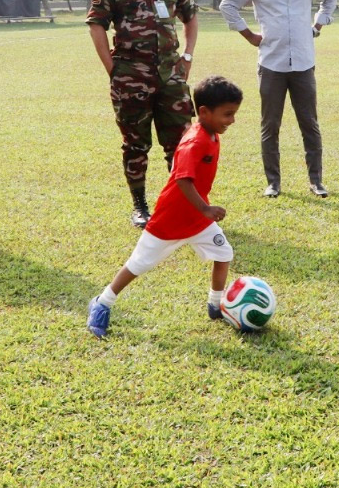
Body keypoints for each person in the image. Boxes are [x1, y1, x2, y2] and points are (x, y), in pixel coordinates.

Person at [86, 76, 243, 338]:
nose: (232, 120)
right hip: (169, 222)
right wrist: (205, 208)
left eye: (234, 114)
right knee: (137, 266)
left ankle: (215, 305)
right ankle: (102, 303)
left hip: (197, 221)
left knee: (224, 254)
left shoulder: (212, 134)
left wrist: (202, 213)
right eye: (227, 114)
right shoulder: (194, 142)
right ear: (204, 112)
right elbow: (182, 179)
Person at [87, 0, 199, 228]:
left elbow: (190, 17)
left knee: (180, 143)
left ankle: (181, 203)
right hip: (130, 75)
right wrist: (112, 68)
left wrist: (187, 55)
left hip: (171, 75)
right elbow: (97, 23)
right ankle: (140, 205)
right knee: (136, 143)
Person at [220, 0, 337, 198]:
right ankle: (273, 182)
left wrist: (319, 24)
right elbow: (228, 5)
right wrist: (248, 34)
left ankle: (316, 181)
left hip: (304, 64)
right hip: (272, 64)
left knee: (310, 124)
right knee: (270, 125)